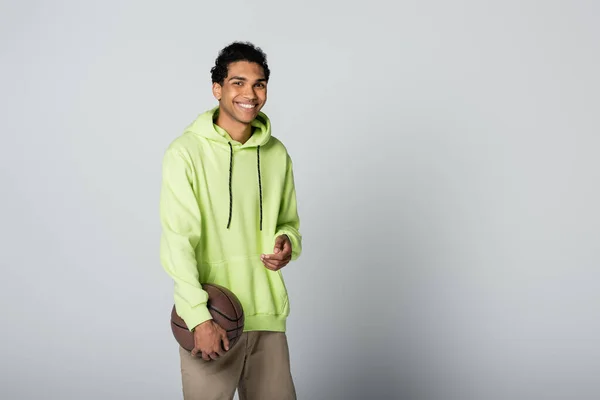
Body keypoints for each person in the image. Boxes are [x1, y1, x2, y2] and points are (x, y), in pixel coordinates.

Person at [159, 41, 302, 400]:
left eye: (259, 84)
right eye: (238, 83)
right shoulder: (185, 152)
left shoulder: (276, 153)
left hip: (266, 315)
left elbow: (288, 222)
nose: (250, 94)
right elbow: (178, 242)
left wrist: (287, 243)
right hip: (213, 319)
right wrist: (197, 317)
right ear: (217, 89)